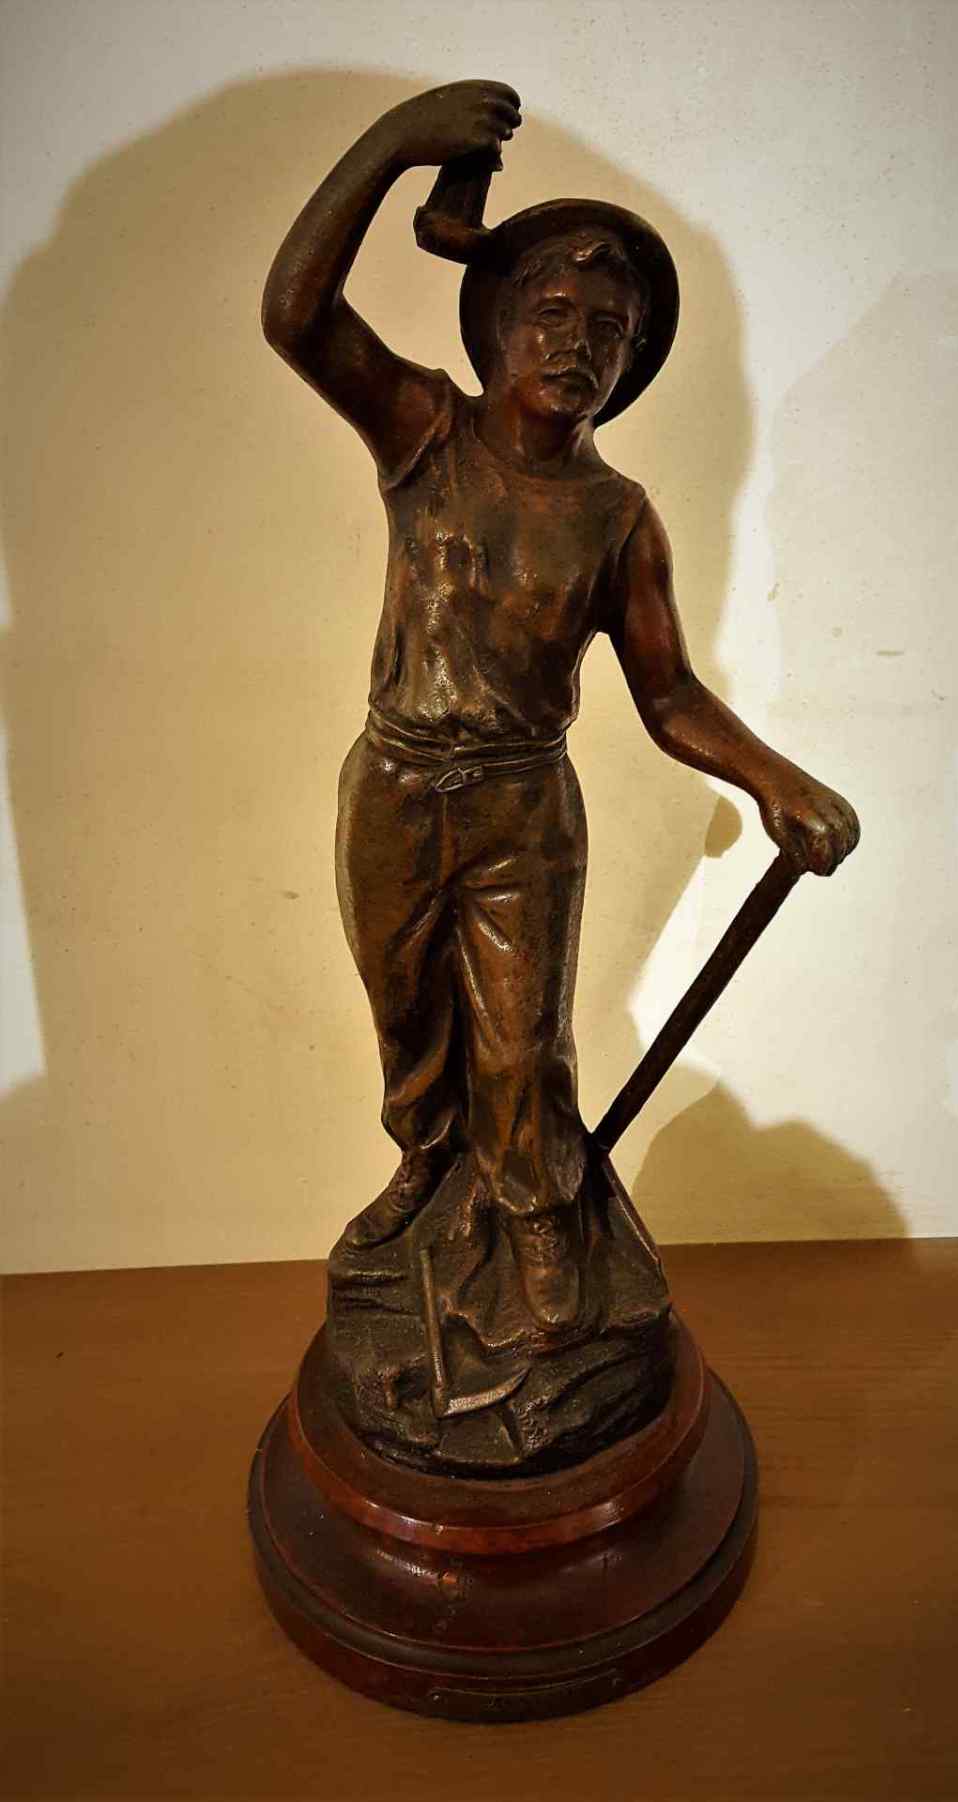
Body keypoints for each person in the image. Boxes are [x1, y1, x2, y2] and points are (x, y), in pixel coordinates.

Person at [262, 80, 859, 1332]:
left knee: (521, 1039)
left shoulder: (616, 516)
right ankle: (426, 1160)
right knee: (405, 1013)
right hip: (392, 785)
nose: (577, 343)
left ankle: (539, 1221)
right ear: (497, 325)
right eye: (550, 313)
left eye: (609, 330)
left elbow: (668, 692)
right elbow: (295, 314)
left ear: (631, 364)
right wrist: (391, 148)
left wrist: (776, 779)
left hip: (522, 812)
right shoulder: (423, 429)